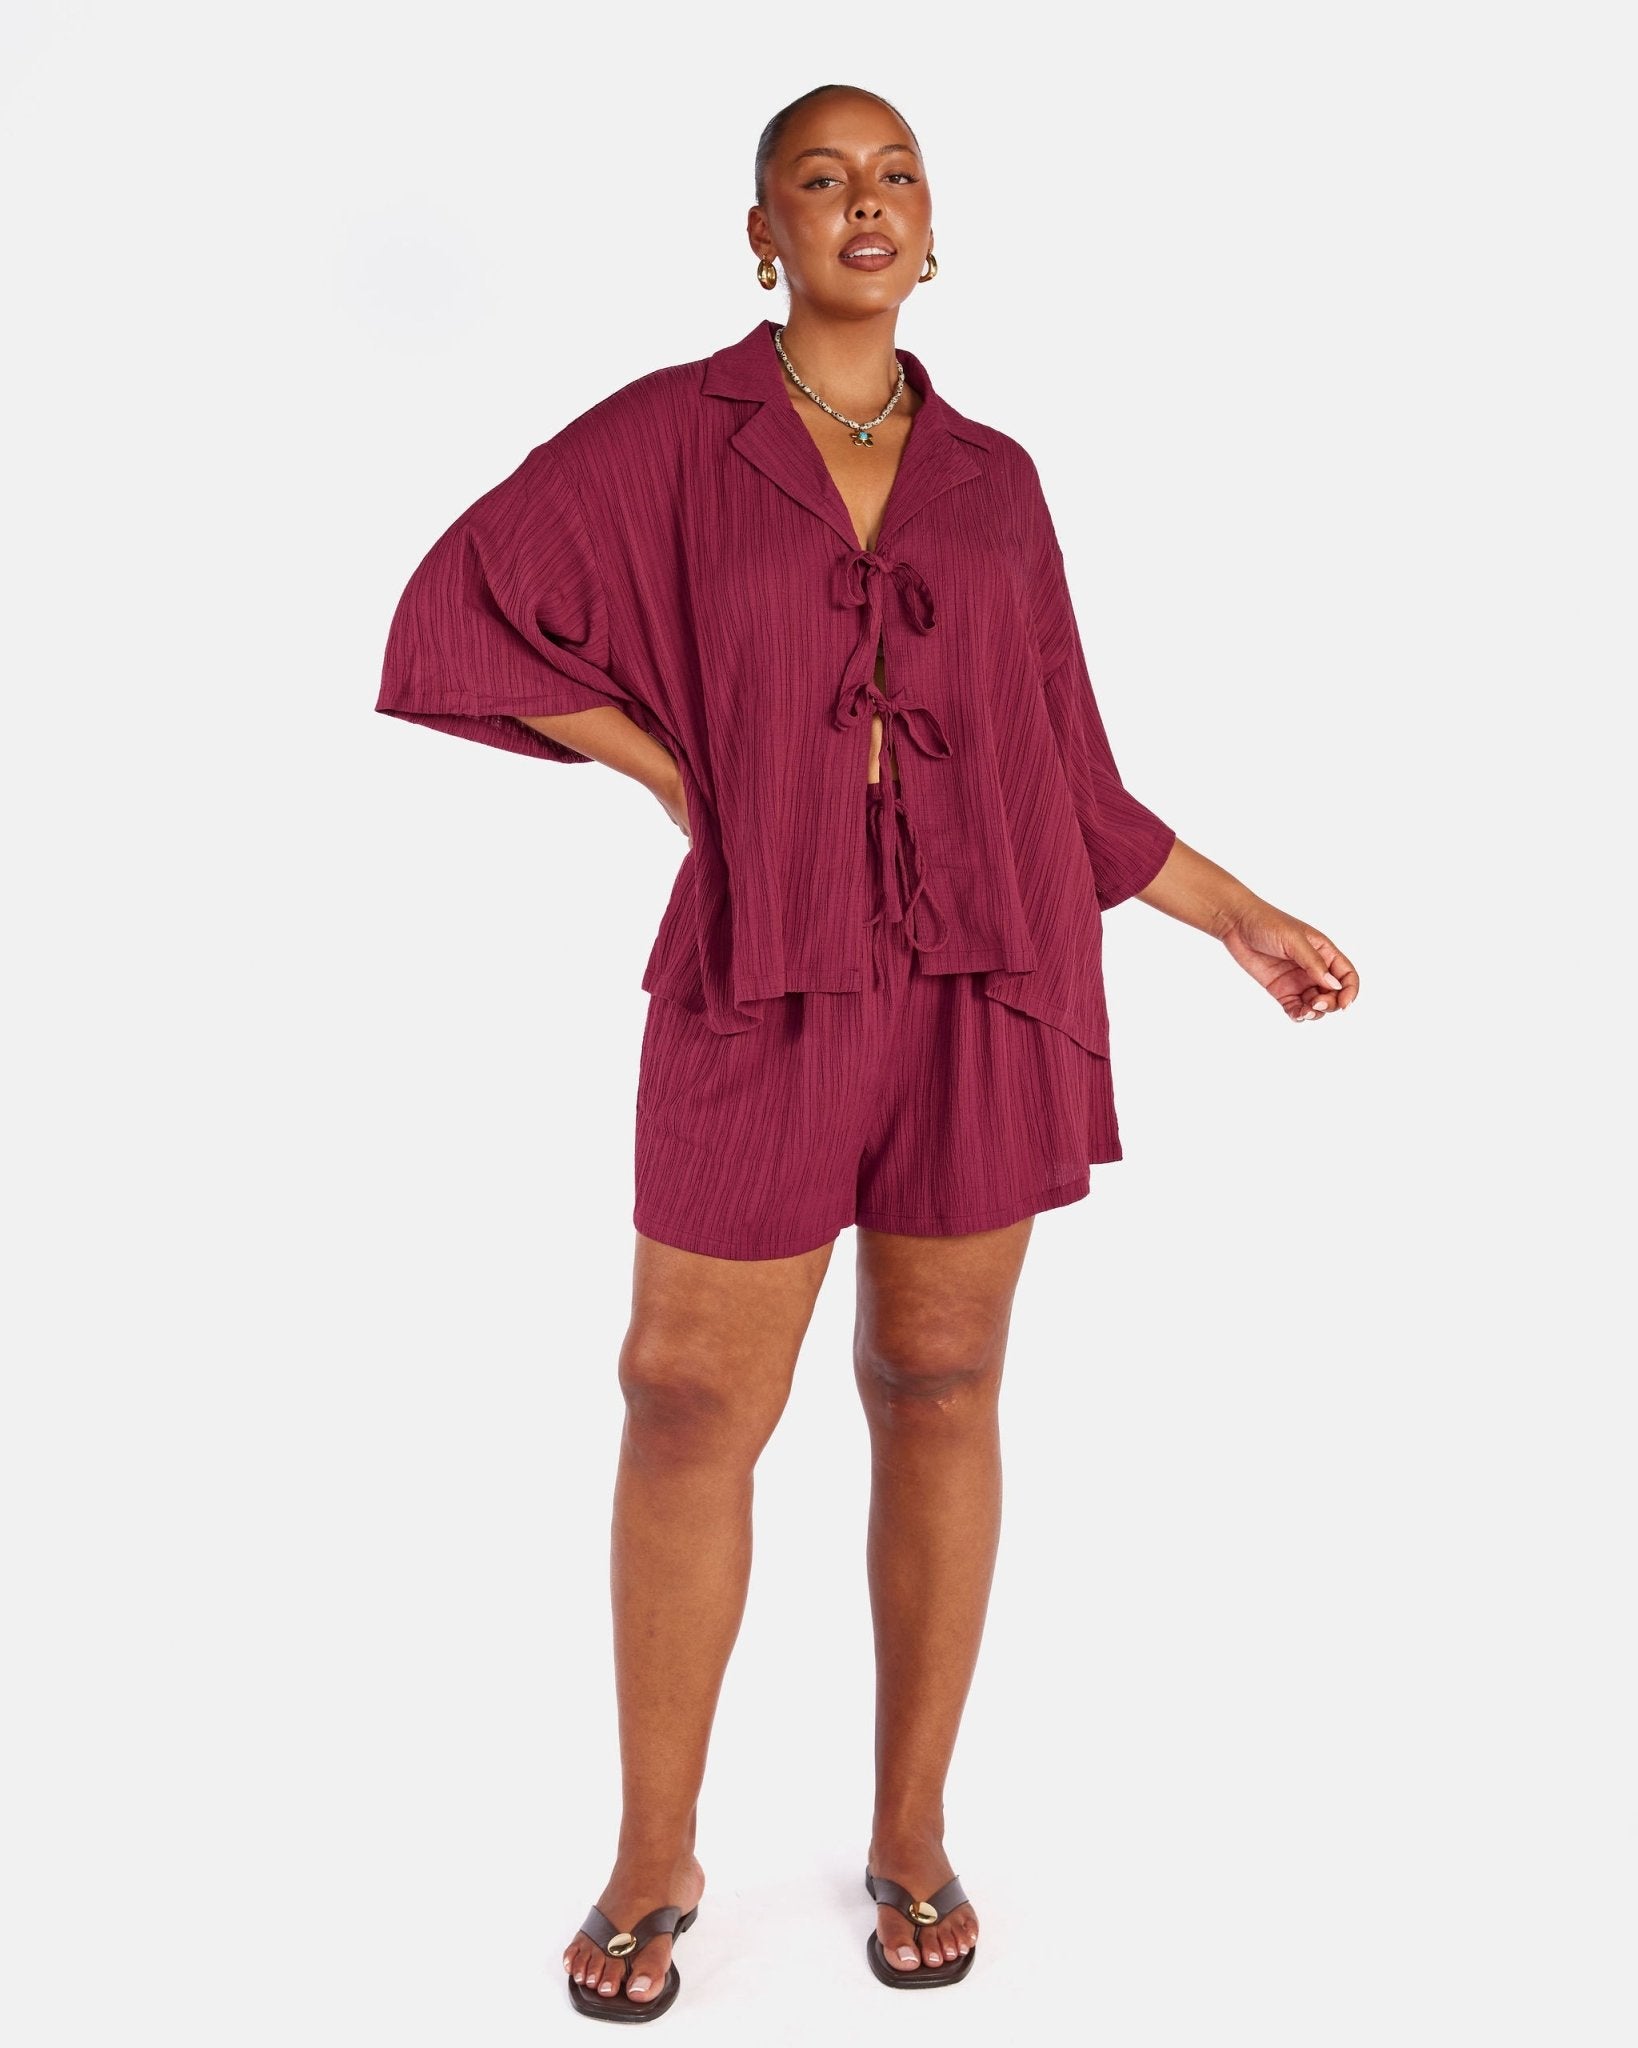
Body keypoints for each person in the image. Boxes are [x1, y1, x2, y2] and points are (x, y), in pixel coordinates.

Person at [376, 81, 1360, 2023]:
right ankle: (655, 1852)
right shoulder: (673, 436)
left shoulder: (996, 479)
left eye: (896, 172)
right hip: (767, 974)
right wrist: (684, 775)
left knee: (939, 1377)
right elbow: (462, 609)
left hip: (986, 976)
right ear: (762, 232)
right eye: (820, 178)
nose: (865, 201)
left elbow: (1067, 772)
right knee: (683, 1397)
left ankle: (912, 1830)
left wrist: (1237, 913)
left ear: (933, 221)